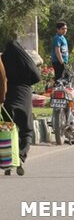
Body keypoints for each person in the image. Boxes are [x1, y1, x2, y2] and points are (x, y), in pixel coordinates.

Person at [2, 39, 40, 175]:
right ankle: (21, 157)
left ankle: (8, 162)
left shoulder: (3, 60)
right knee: (27, 130)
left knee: (8, 131)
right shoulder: (25, 60)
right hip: (24, 95)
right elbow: (37, 76)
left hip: (9, 98)